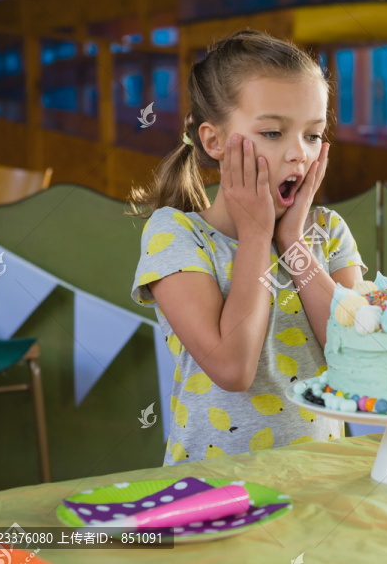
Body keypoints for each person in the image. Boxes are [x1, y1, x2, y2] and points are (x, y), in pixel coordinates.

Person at [129, 29, 367, 466]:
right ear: (214, 141)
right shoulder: (177, 235)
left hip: (323, 484)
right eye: (274, 133)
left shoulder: (327, 232)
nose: (299, 153)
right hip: (214, 492)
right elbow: (233, 368)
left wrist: (292, 243)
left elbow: (357, 363)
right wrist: (257, 236)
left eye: (313, 135)